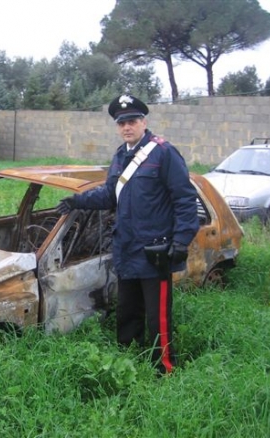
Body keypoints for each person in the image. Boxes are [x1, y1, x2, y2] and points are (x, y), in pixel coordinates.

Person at [57, 94, 199, 376]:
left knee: (157, 316)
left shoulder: (163, 153)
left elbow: (185, 199)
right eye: (121, 123)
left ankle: (165, 368)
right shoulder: (120, 155)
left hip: (154, 250)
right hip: (126, 248)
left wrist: (182, 240)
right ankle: (127, 358)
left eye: (132, 121)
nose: (126, 127)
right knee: (127, 310)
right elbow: (110, 194)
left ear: (144, 122)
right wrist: (78, 201)